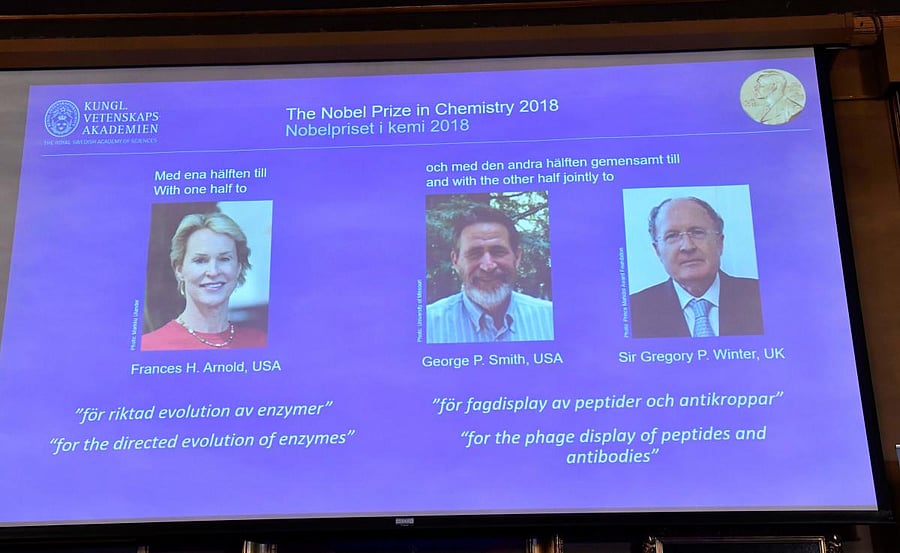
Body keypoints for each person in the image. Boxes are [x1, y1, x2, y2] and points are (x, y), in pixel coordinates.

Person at [629, 197, 763, 338]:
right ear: (657, 251)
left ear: (720, 243)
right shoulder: (634, 311)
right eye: (672, 235)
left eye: (697, 232)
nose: (687, 246)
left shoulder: (760, 297)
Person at [426, 206, 553, 343]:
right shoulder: (427, 325)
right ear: (455, 261)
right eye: (474, 254)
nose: (488, 266)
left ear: (517, 257)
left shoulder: (551, 319)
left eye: (498, 252)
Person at [142, 211, 267, 350]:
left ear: (238, 268)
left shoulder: (260, 342)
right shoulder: (150, 346)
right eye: (200, 260)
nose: (213, 272)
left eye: (224, 259)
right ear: (179, 270)